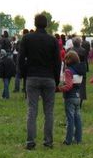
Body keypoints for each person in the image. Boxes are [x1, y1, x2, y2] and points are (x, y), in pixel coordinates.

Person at [19, 13, 60, 148]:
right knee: (49, 111)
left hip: (32, 76)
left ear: (35, 23)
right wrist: (56, 79)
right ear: (47, 24)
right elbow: (57, 62)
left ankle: (30, 142)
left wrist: (24, 74)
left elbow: (21, 59)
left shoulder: (27, 38)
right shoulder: (52, 40)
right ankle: (48, 142)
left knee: (32, 110)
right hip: (49, 77)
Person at [60, 51, 83, 145]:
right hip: (78, 96)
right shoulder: (79, 70)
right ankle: (78, 139)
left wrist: (60, 88)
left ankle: (68, 140)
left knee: (70, 119)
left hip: (70, 97)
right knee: (78, 119)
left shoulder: (68, 71)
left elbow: (69, 86)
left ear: (69, 60)